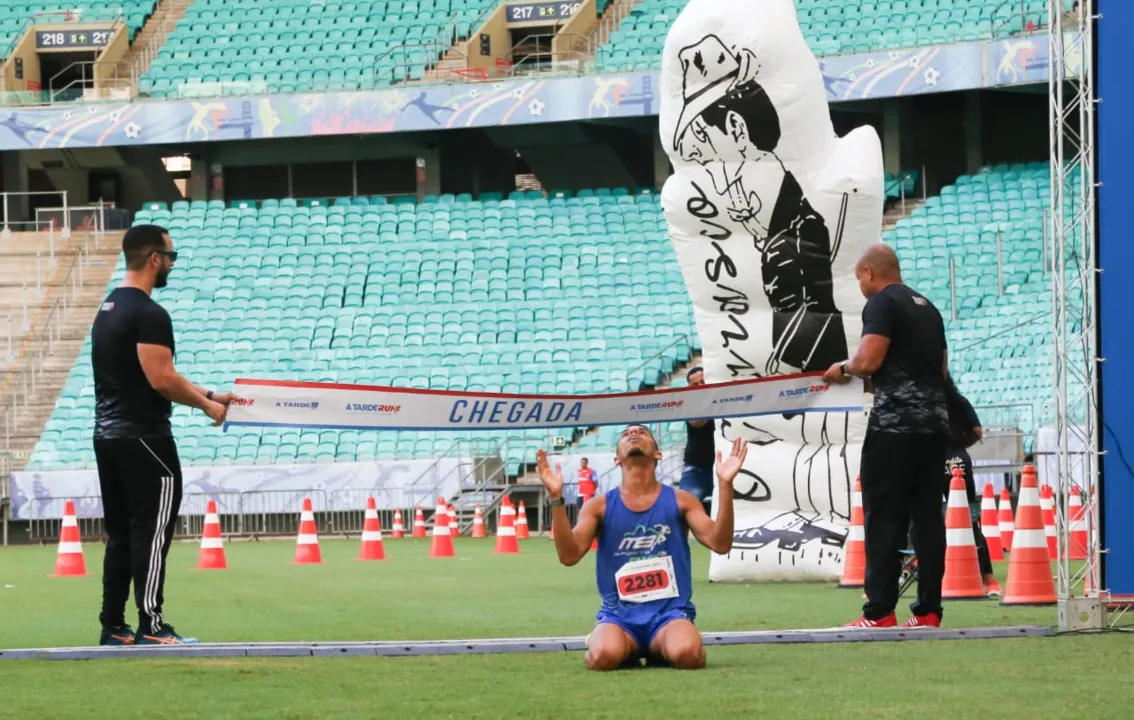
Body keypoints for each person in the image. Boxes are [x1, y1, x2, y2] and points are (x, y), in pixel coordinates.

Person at [92, 224, 238, 647]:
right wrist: (207, 406)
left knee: (121, 535)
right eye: (171, 257)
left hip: (108, 436)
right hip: (145, 440)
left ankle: (113, 626)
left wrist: (209, 392)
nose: (172, 264)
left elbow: (153, 374)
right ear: (154, 258)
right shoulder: (150, 313)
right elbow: (161, 379)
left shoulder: (110, 308)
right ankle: (152, 625)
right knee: (152, 535)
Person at [535, 425, 746, 671]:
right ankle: (608, 640)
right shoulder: (598, 506)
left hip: (669, 615)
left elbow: (720, 544)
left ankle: (657, 648)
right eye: (625, 434)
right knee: (604, 657)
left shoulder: (681, 500)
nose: (633, 434)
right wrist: (556, 499)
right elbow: (569, 555)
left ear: (658, 454)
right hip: (619, 616)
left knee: (688, 655)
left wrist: (725, 485)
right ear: (617, 459)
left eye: (643, 432)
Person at [823, 243, 949, 629]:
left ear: (869, 272)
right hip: (934, 427)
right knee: (927, 519)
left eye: (859, 277)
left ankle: (879, 612)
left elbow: (868, 360)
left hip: (894, 429)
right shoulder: (928, 308)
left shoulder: (880, 303)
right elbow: (940, 372)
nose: (860, 284)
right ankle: (928, 610)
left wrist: (842, 369)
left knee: (884, 519)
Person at [945, 379, 1001, 597]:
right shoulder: (959, 401)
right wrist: (959, 445)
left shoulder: (924, 400)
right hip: (958, 458)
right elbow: (977, 431)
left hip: (930, 459)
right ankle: (988, 579)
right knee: (970, 517)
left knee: (926, 515)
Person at [679, 367, 715, 514]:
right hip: (697, 468)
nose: (700, 386)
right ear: (689, 388)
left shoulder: (723, 399)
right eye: (695, 384)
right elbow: (697, 422)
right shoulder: (688, 404)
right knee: (682, 511)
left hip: (722, 466)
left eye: (703, 382)